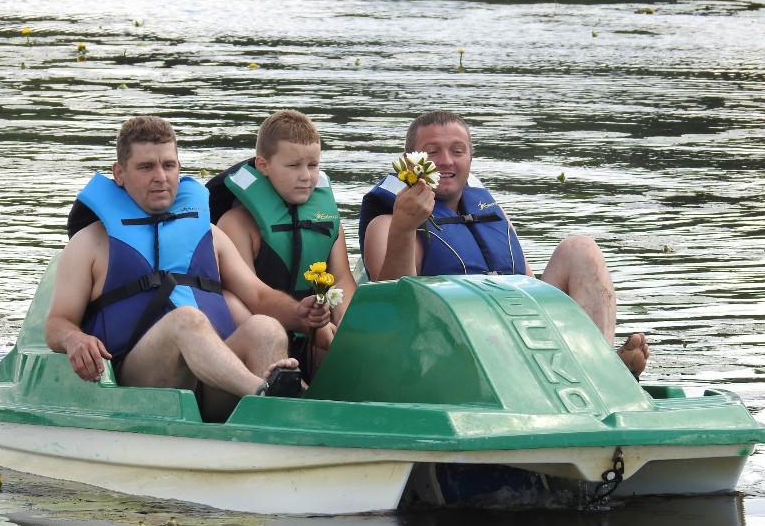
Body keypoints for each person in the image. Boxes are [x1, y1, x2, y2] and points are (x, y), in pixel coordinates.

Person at [46, 116, 331, 422]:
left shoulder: (208, 235)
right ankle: (273, 398)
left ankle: (275, 425)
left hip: (213, 382)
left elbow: (259, 297)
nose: (160, 177)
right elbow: (57, 324)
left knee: (267, 327)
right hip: (141, 383)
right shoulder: (90, 242)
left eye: (169, 165)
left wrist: (299, 314)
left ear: (179, 169)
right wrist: (74, 339)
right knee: (186, 319)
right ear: (119, 173)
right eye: (146, 167)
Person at [359, 110, 649, 378]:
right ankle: (596, 371)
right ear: (410, 161)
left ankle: (601, 366)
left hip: (516, 336)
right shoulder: (386, 224)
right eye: (432, 152)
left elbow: (529, 286)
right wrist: (405, 227)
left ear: (470, 158)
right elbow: (393, 308)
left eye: (457, 151)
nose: (446, 161)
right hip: (448, 352)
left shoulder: (489, 211)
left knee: (581, 248)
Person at [207, 109, 356, 378]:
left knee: (353, 334)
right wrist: (310, 323)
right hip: (261, 333)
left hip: (314, 327)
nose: (306, 176)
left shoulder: (328, 221)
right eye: (293, 166)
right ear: (263, 165)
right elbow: (247, 297)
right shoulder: (236, 224)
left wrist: (345, 324)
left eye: (313, 165)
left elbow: (342, 280)